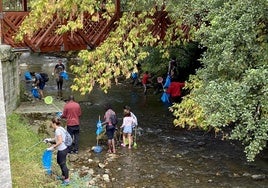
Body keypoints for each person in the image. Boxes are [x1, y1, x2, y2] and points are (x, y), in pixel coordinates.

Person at [44, 117, 70, 186]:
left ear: (54, 123)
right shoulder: (60, 128)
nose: (51, 125)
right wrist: (49, 140)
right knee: (59, 161)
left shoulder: (57, 130)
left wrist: (52, 147)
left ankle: (67, 180)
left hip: (62, 149)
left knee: (62, 164)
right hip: (64, 148)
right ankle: (63, 176)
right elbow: (57, 138)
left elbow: (60, 141)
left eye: (51, 123)